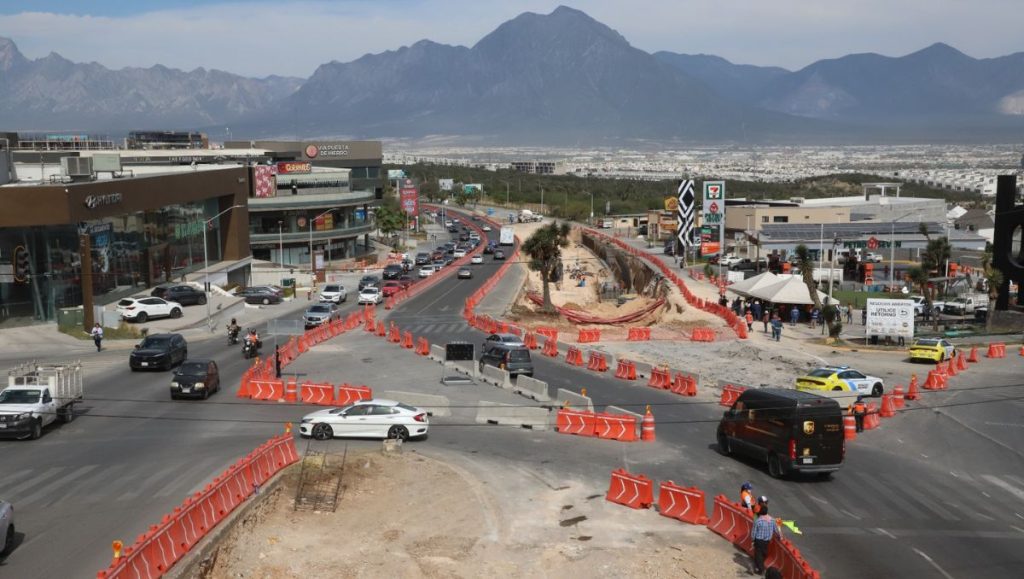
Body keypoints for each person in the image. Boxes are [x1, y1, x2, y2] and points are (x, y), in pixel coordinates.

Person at [751, 505, 782, 575]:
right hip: (767, 542)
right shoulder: (772, 520)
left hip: (758, 541)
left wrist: (752, 540)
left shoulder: (758, 521)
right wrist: (780, 537)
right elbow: (777, 530)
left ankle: (761, 569)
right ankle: (760, 568)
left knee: (758, 555)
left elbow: (754, 532)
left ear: (761, 511)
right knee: (764, 554)